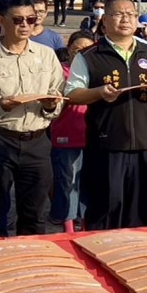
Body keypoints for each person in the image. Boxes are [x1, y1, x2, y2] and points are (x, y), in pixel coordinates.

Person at [0, 0, 64, 239]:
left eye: (31, 19)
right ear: (1, 20)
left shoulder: (46, 55)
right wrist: (0, 106)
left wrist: (51, 106)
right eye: (18, 20)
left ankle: (29, 264)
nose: (26, 25)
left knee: (34, 213)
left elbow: (58, 94)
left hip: (37, 140)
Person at [65, 0, 147, 230]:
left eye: (131, 14)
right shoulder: (90, 55)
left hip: (144, 142)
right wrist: (99, 92)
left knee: (140, 210)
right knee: (106, 207)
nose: (126, 19)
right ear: (104, 21)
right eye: (118, 14)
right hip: (107, 143)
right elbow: (72, 93)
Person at [50, 32, 94, 233]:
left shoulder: (95, 72)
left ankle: (84, 222)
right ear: (69, 50)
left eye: (87, 49)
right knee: (67, 182)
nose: (81, 53)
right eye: (77, 49)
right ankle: (68, 225)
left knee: (87, 183)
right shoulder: (60, 72)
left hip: (92, 136)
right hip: (66, 136)